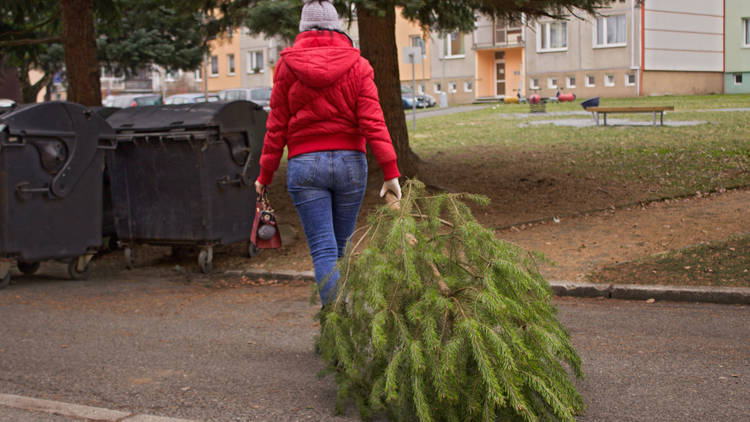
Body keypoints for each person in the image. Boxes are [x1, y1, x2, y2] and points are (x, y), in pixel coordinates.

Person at [254, 0, 401, 305]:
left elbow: (276, 126)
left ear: (303, 29)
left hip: (305, 165)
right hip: (350, 165)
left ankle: (336, 330)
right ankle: (342, 334)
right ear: (337, 27)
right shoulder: (358, 65)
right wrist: (390, 172)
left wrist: (264, 174)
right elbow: (373, 120)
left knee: (323, 249)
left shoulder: (286, 66)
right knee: (341, 249)